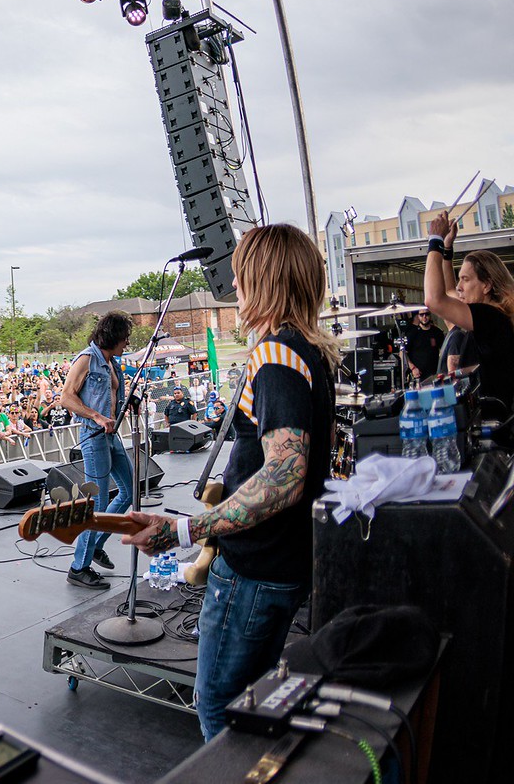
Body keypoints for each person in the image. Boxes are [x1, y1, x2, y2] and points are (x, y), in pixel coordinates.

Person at [123, 223, 338, 740]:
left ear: (263, 280)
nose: (233, 288)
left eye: (241, 277)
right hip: (285, 558)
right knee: (258, 700)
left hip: (256, 565)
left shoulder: (277, 356)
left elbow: (284, 476)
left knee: (219, 704)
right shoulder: (310, 352)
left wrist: (184, 531)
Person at [60, 312, 134, 590]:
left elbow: (112, 395)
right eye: (124, 337)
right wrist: (96, 416)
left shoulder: (111, 362)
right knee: (98, 505)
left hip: (112, 438)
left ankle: (96, 546)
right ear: (113, 336)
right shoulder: (86, 359)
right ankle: (79, 567)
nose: (126, 343)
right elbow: (66, 397)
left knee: (129, 491)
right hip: (94, 437)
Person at [423, 212, 514, 413]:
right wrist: (447, 248)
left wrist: (435, 241)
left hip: (500, 428)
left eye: (465, 279)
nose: (459, 287)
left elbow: (434, 299)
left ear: (487, 285)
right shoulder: (495, 315)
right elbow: (447, 293)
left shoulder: (491, 317)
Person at [404, 308, 445, 386]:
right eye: (421, 315)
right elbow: (403, 353)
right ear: (418, 316)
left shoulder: (437, 332)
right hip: (418, 376)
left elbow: (443, 351)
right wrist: (413, 368)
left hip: (435, 374)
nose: (424, 317)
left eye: (427, 314)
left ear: (430, 315)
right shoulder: (412, 333)